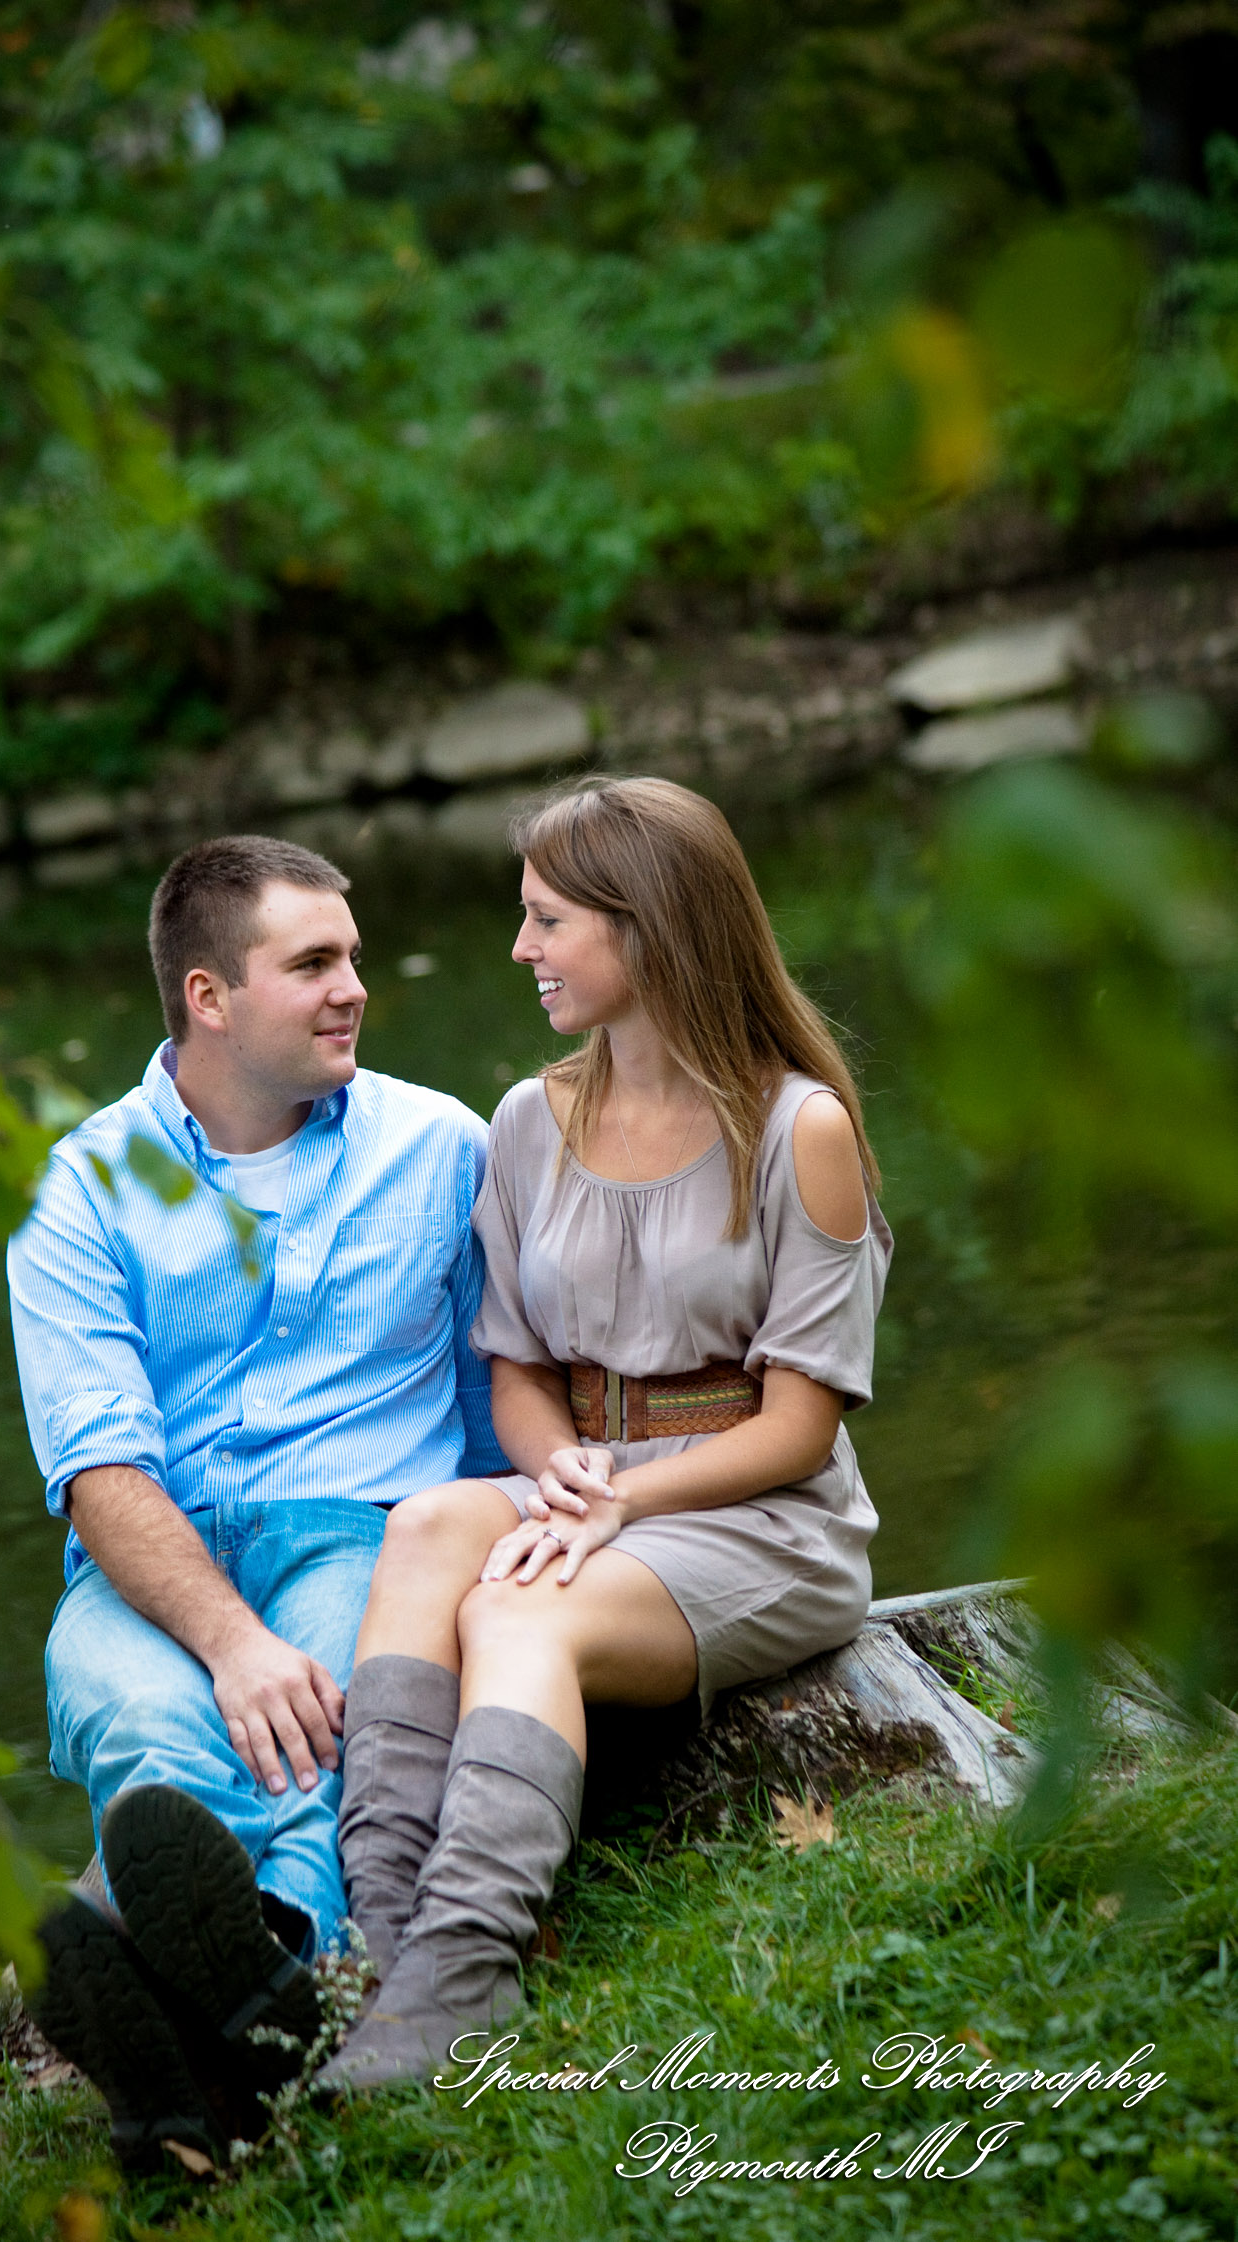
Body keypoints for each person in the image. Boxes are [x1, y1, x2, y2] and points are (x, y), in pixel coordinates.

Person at [319, 775, 892, 2090]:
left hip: (763, 1516)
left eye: (547, 921)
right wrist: (556, 1466)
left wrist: (627, 1504)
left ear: (647, 929)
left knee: (519, 1615)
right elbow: (519, 1371)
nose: (521, 949)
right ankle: (377, 1945)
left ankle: (463, 1975)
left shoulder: (799, 1127)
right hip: (595, 1490)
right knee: (425, 1530)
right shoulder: (533, 1119)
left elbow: (802, 1427)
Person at [6, 833, 506, 2167]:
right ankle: (246, 2033)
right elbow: (100, 1469)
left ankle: (190, 2023)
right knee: (147, 1724)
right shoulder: (81, 1187)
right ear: (209, 998)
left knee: (319, 1710)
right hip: (142, 1569)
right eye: (314, 963)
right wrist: (226, 1638)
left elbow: (499, 1400)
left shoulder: (443, 1148)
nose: (353, 987)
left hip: (367, 1532)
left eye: (352, 956)